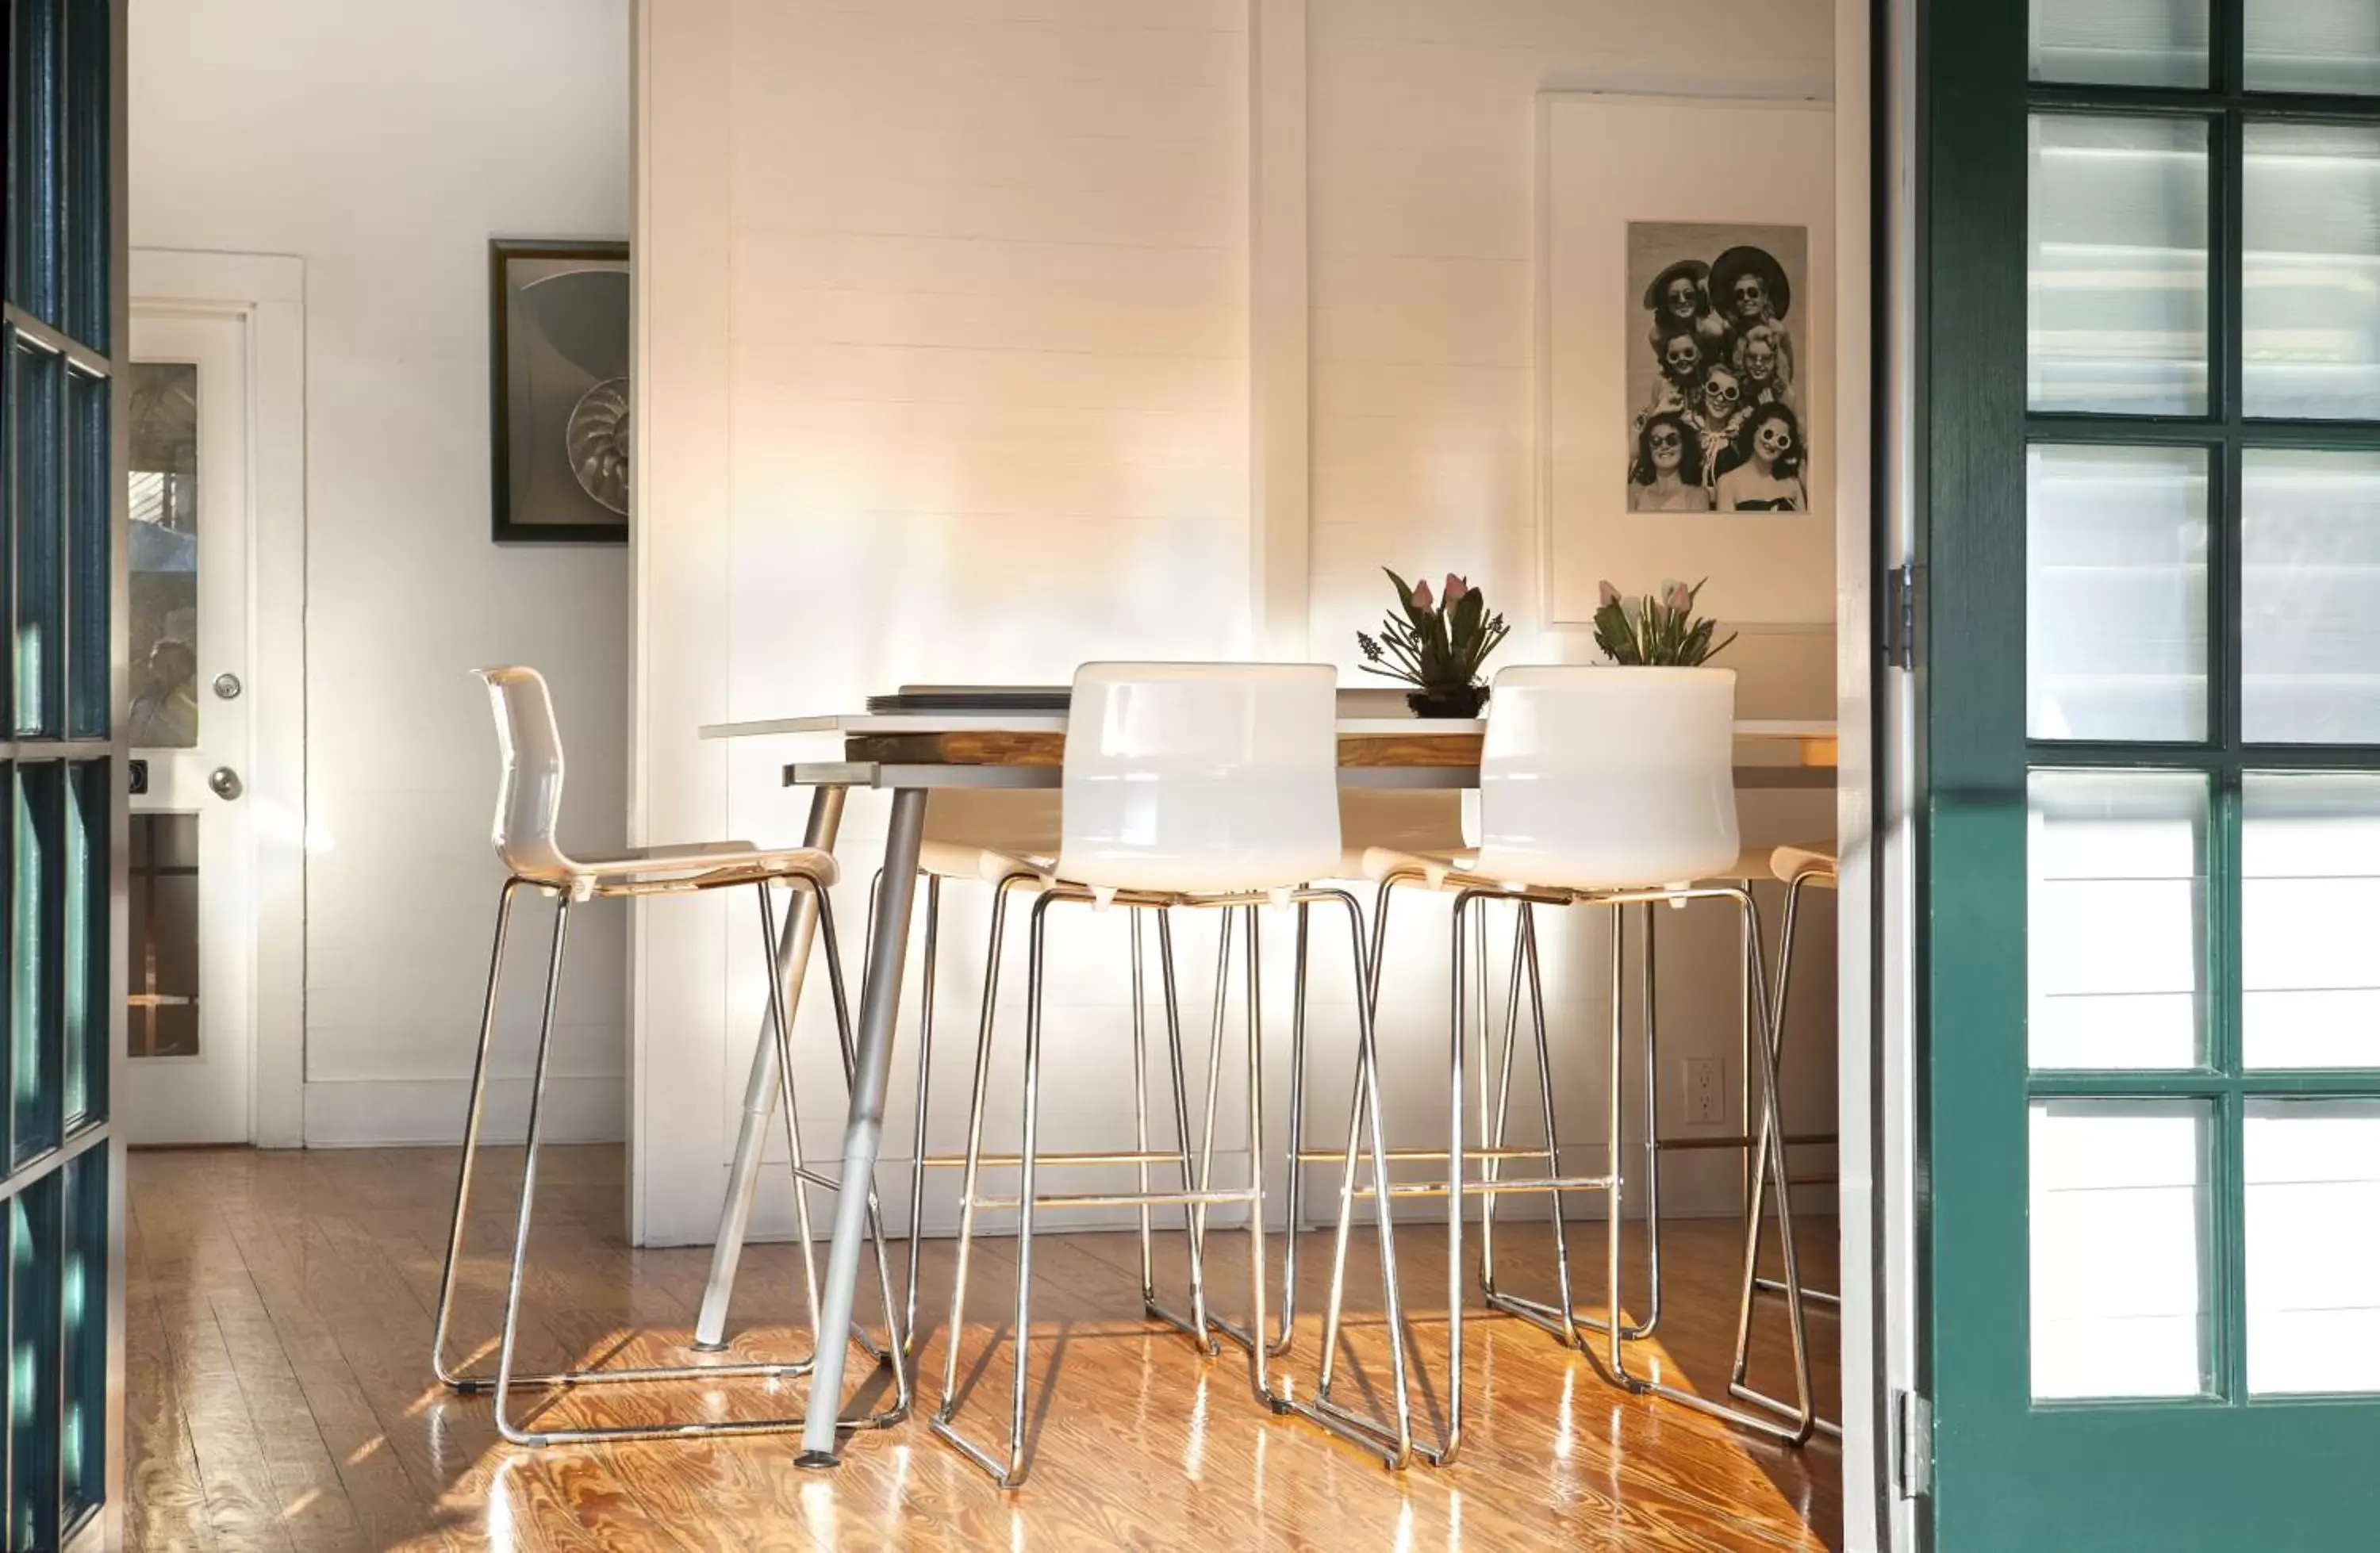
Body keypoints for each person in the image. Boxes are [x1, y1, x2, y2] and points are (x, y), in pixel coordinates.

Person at [1710, 244, 1796, 390]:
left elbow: (1787, 377)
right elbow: (1724, 366)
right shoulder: (1730, 330)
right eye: (1740, 295)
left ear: (1764, 298)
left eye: (1753, 293)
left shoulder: (1777, 330)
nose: (1746, 299)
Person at [1714, 401, 1809, 512]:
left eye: (1782, 441)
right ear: (1754, 430)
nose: (1773, 444)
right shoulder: (1728, 483)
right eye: (1768, 434)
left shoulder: (1793, 484)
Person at [1628, 412, 1710, 512]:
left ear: (1684, 445)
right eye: (1656, 440)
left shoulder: (1696, 495)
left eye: (1672, 440)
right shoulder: (1634, 493)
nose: (1664, 446)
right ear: (1648, 448)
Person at [1642, 258, 1728, 351]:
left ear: (1698, 297)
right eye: (1674, 298)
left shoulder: (1712, 332)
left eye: (1689, 295)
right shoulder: (1659, 337)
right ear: (1665, 303)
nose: (1683, 301)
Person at [1684, 365, 1750, 484]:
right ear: (1704, 391)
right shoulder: (1686, 431)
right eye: (1713, 388)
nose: (1720, 399)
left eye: (1730, 393)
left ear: (1737, 401)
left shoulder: (1740, 442)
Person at [128, 637, 199, 746]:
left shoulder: (191, 714)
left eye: (166, 666)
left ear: (185, 670)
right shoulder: (139, 705)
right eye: (154, 662)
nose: (152, 669)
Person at [1637, 325, 1709, 427]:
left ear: (1700, 353)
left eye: (1688, 353)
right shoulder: (1662, 382)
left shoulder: (1706, 382)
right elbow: (1651, 418)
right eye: (1674, 356)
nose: (1682, 359)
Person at [1734, 322, 1795, 409]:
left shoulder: (1785, 395)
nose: (1758, 364)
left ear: (1775, 360)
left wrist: (1769, 410)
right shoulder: (1739, 387)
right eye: (1752, 357)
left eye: (1766, 358)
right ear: (1744, 358)